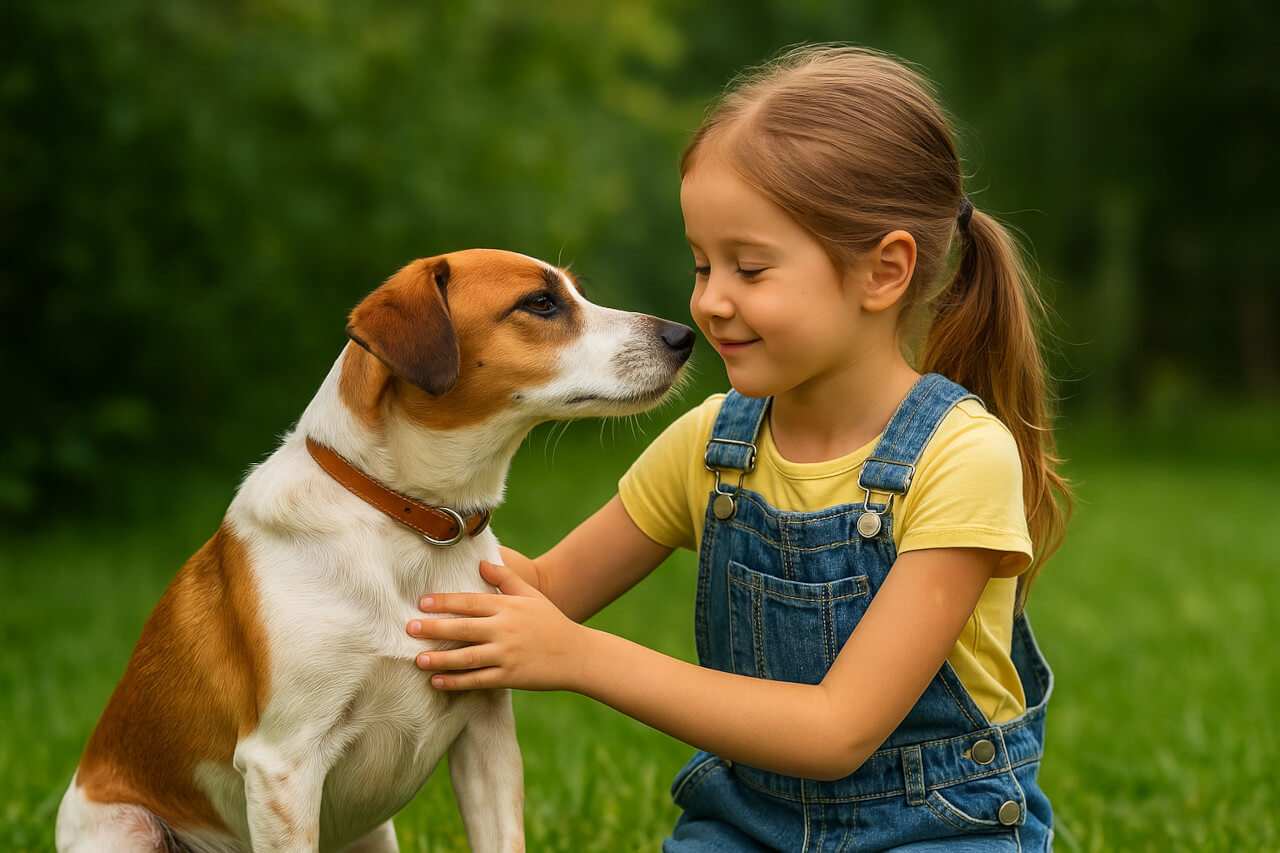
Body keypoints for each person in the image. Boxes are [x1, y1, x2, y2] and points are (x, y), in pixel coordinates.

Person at [407, 44, 1071, 851]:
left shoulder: (962, 457)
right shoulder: (713, 443)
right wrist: (360, 526)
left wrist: (579, 657)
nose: (710, 300)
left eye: (750, 268)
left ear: (883, 272)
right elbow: (540, 593)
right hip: (746, 826)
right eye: (701, 263)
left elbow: (838, 730)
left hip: (937, 828)